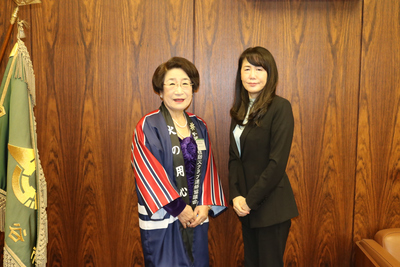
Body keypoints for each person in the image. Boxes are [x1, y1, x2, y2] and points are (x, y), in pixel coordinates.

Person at [131, 57, 227, 267]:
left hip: (196, 217)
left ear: (193, 89)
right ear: (160, 90)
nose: (179, 90)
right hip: (164, 218)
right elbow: (148, 172)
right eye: (172, 83)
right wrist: (179, 208)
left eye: (185, 83)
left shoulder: (199, 125)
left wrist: (204, 204)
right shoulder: (149, 125)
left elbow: (208, 167)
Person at [229, 46, 299, 267]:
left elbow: (276, 164)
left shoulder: (280, 107)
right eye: (247, 68)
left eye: (259, 69)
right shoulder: (240, 110)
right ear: (239, 73)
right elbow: (234, 158)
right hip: (246, 208)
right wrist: (236, 195)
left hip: (271, 208)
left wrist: (250, 201)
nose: (252, 75)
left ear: (270, 74)